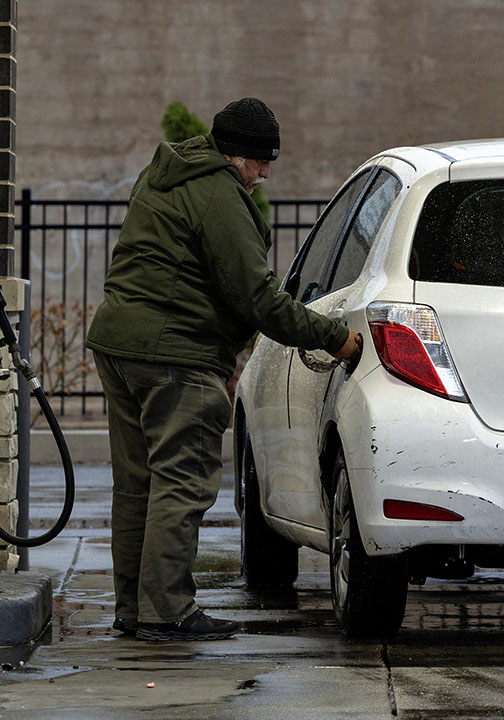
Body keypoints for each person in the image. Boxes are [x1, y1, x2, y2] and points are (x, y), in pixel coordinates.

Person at [85, 97, 363, 642]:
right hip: (173, 354)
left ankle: (134, 609)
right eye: (261, 161)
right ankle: (166, 611)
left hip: (119, 344)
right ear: (236, 156)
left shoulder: (166, 174)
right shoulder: (220, 195)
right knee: (181, 482)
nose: (265, 174)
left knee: (137, 484)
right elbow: (257, 297)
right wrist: (338, 338)